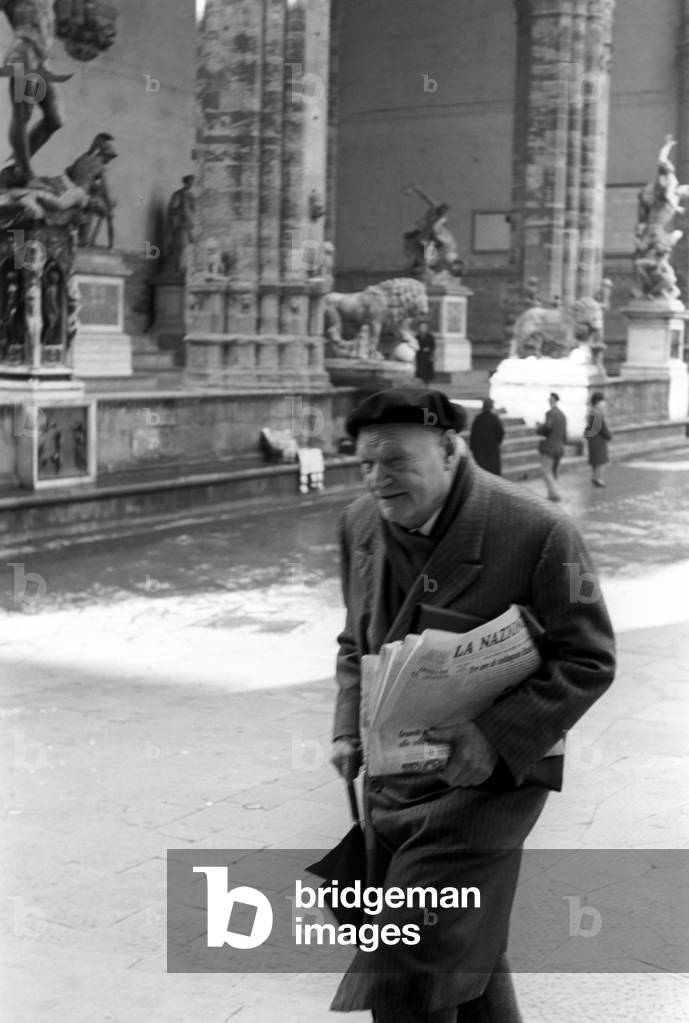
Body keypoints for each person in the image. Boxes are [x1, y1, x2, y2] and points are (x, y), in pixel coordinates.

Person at [330, 387, 615, 1023]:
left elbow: (590, 657)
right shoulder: (357, 524)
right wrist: (347, 727)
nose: (377, 480)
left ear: (450, 450)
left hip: (488, 785)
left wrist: (491, 736)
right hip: (392, 780)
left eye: (396, 462)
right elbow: (354, 640)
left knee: (405, 962)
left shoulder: (542, 531)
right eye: (366, 463)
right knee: (465, 948)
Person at [535, 392, 567, 501]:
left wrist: (539, 428)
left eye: (549, 399)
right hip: (559, 447)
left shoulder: (550, 413)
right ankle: (552, 493)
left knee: (546, 471)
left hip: (550, 447)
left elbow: (548, 427)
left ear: (552, 400)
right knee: (553, 471)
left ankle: (554, 494)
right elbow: (564, 434)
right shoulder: (562, 415)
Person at [469, 397, 504, 476]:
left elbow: (473, 434)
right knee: (493, 472)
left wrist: (472, 447)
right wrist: (497, 442)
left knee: (482, 471)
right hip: (492, 449)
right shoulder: (495, 418)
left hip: (480, 450)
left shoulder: (478, 418)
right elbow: (501, 433)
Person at [585, 391, 612, 488]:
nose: (603, 404)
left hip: (593, 441)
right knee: (600, 461)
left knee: (596, 461)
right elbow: (602, 429)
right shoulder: (597, 414)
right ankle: (598, 479)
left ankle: (595, 478)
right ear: (597, 403)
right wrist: (609, 436)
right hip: (598, 441)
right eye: (602, 402)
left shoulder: (592, 413)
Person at [414, 320, 435, 385]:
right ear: (419, 328)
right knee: (420, 371)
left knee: (428, 372)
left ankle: (427, 383)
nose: (423, 328)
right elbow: (415, 346)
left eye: (424, 327)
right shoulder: (417, 337)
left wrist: (429, 349)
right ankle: (421, 383)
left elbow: (433, 346)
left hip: (428, 357)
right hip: (420, 356)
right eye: (421, 327)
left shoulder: (430, 337)